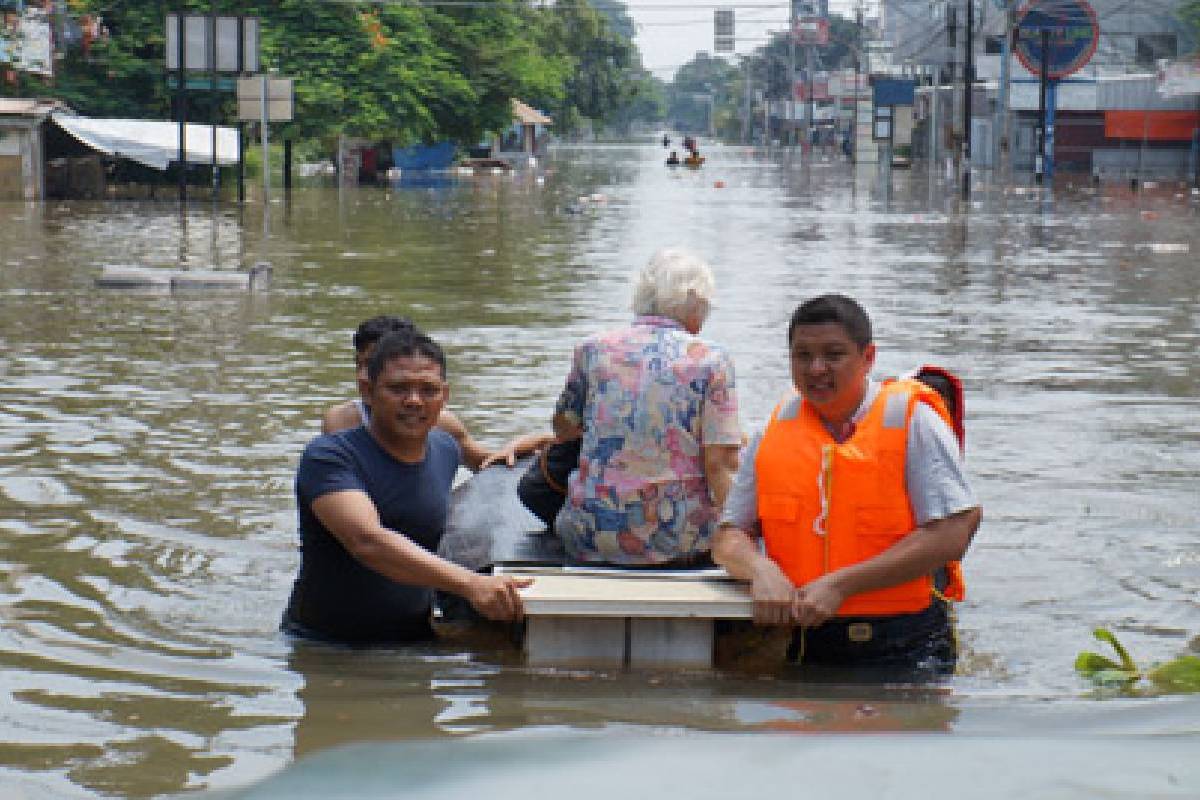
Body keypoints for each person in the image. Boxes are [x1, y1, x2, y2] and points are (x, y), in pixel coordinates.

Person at [712, 294, 981, 674]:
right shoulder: (773, 429)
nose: (816, 368)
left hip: (905, 644)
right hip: (803, 641)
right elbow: (727, 537)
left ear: (867, 358)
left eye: (833, 355)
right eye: (802, 356)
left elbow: (953, 533)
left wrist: (841, 586)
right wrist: (760, 570)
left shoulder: (915, 422)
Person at [282, 330, 533, 644]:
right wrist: (470, 583)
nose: (414, 401)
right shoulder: (330, 457)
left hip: (414, 639)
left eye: (428, 390)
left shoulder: (445, 448)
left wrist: (535, 443)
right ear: (367, 391)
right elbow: (366, 540)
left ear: (445, 396)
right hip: (327, 647)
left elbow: (491, 466)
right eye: (398, 388)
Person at [551, 248, 742, 567]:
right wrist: (742, 535)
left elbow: (563, 427)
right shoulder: (712, 360)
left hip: (591, 536)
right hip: (681, 540)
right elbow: (720, 464)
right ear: (696, 305)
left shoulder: (593, 348)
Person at [323, 315, 549, 468]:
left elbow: (485, 463)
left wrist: (522, 444)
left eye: (371, 365)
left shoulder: (441, 427)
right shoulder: (342, 423)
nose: (363, 375)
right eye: (359, 365)